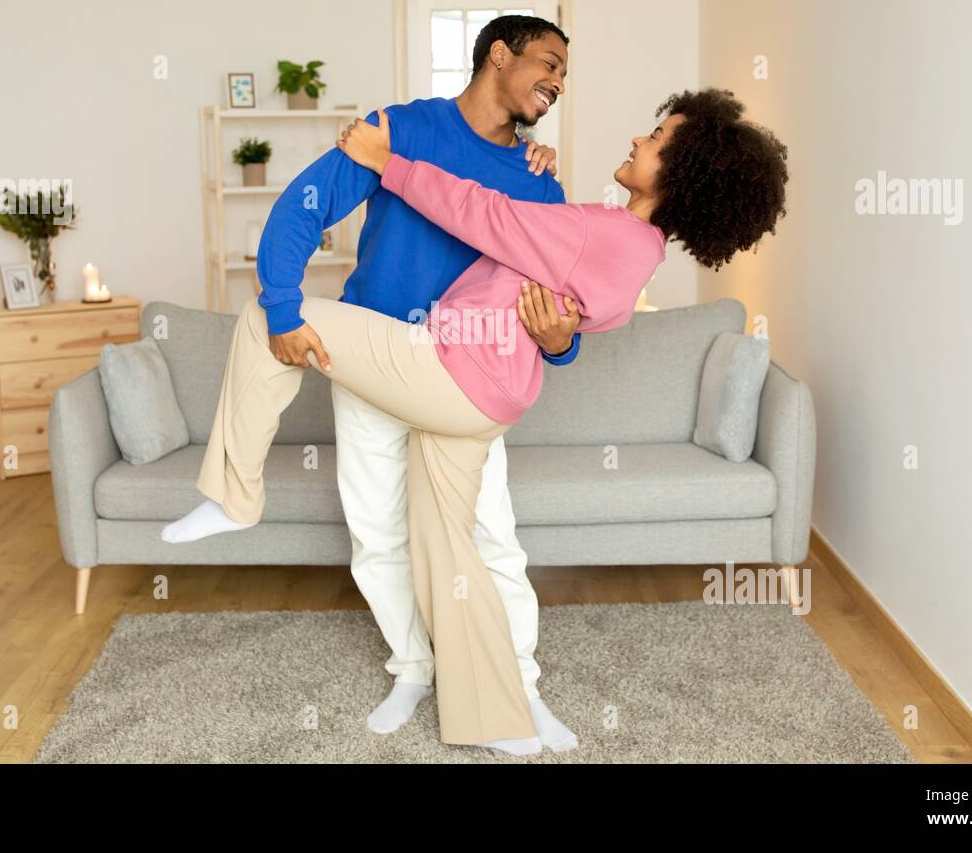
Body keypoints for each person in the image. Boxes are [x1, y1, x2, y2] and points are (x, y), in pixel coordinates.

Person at [163, 87, 790, 754]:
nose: (639, 141)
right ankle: (498, 718)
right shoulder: (627, 245)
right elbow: (549, 276)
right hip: (480, 393)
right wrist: (527, 178)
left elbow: (487, 218)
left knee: (269, 318)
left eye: (656, 138)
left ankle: (233, 496)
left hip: (447, 374)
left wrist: (390, 161)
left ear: (683, 172)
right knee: (446, 550)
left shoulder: (610, 234)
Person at [170, 15, 587, 751]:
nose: (556, 82)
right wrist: (281, 303)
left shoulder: (537, 182)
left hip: (467, 376)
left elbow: (560, 307)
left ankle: (518, 685)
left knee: (491, 538)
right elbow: (304, 205)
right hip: (375, 362)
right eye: (548, 63)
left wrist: (560, 345)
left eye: (564, 74)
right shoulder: (397, 128)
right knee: (377, 532)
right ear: (500, 53)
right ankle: (414, 669)